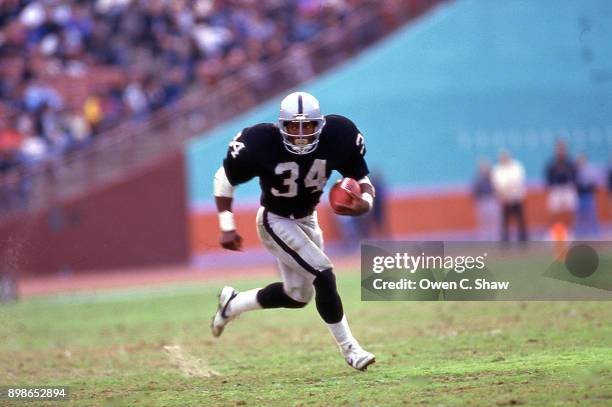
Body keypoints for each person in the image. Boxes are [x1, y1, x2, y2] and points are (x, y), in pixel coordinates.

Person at [210, 92, 376, 371]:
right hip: (275, 220)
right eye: (293, 127)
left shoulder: (340, 134)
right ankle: (351, 349)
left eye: (308, 127)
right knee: (323, 273)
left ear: (320, 125)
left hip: (307, 219)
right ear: (280, 126)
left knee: (297, 296)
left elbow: (361, 178)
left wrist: (365, 203)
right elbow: (223, 178)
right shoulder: (259, 142)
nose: (300, 135)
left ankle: (233, 304)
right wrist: (227, 226)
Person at [491, 151, 528, 242]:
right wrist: (503, 195)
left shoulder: (516, 167)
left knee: (520, 219)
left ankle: (523, 240)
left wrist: (511, 191)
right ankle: (505, 241)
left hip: (516, 197)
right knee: (505, 221)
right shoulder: (497, 170)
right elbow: (497, 184)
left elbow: (518, 181)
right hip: (505, 199)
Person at [545, 141, 577, 231]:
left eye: (562, 149)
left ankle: (570, 231)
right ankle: (553, 232)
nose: (561, 151)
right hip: (556, 188)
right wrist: (551, 186)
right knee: (553, 211)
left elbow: (574, 175)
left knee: (570, 210)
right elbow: (548, 176)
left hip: (567, 187)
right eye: (559, 149)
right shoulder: (552, 163)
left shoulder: (569, 162)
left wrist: (571, 186)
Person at [472, 158, 498, 240]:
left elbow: (497, 188)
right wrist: (476, 199)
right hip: (482, 201)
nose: (484, 169)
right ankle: (484, 238)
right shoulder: (478, 179)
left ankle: (494, 237)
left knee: (493, 220)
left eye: (485, 167)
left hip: (491, 200)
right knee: (483, 221)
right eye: (482, 167)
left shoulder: (493, 177)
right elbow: (475, 190)